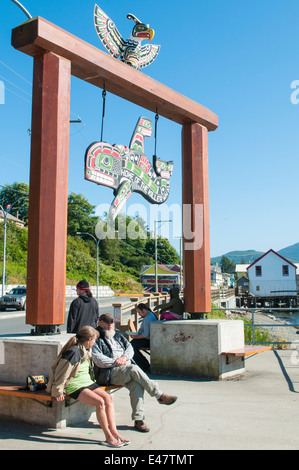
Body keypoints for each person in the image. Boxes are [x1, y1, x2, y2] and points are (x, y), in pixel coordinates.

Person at [92, 314, 177, 433]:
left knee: (136, 384)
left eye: (112, 321)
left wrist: (124, 357)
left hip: (124, 369)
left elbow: (129, 348)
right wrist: (117, 362)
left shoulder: (117, 334)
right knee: (133, 369)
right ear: (100, 323)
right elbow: (98, 359)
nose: (110, 324)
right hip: (108, 373)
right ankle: (158, 394)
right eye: (107, 322)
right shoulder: (96, 337)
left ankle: (139, 420)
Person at [46, 325, 129, 448]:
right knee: (100, 402)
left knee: (109, 398)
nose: (95, 342)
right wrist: (58, 391)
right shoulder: (73, 352)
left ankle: (115, 433)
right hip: (74, 385)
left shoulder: (85, 349)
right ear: (89, 340)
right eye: (94, 340)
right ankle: (108, 437)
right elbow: (61, 373)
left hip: (88, 382)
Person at [129, 303, 157, 372]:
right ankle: (144, 365)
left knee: (131, 346)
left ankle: (145, 366)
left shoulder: (148, 318)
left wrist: (135, 337)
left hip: (149, 340)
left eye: (139, 312)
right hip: (150, 339)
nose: (139, 314)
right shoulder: (149, 315)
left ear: (144, 310)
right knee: (131, 345)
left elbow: (146, 334)